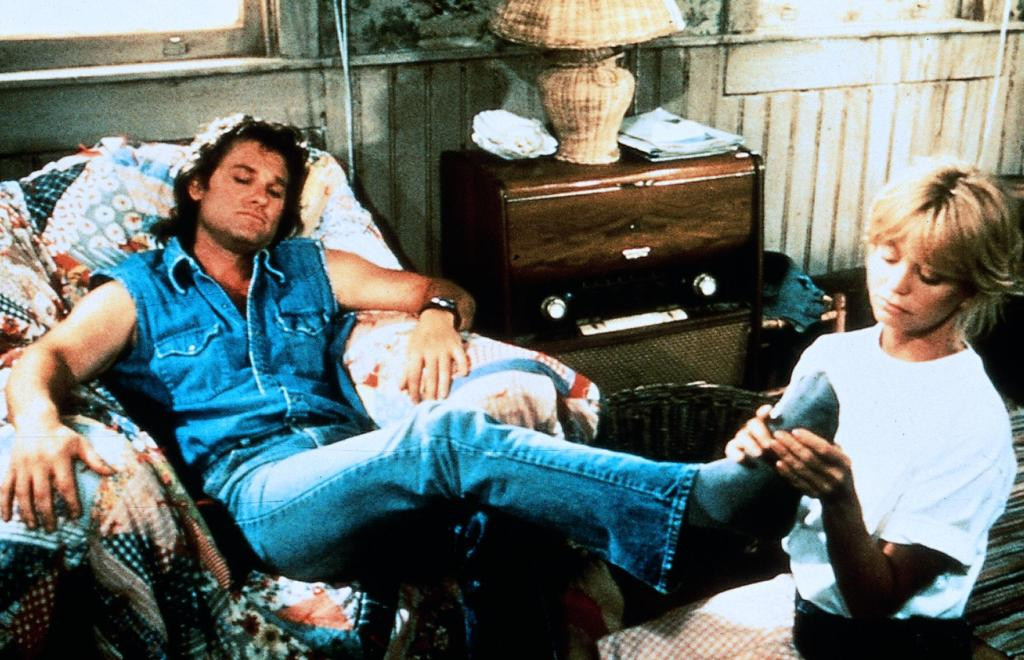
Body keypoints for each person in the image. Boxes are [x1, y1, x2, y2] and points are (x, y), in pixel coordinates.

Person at [1, 114, 809, 657]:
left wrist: (437, 321)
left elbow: (440, 290)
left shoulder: (306, 267)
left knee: (508, 519)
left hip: (365, 469)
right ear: (197, 188)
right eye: (241, 178)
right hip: (268, 499)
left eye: (275, 189)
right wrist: (39, 426)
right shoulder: (142, 288)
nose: (259, 198)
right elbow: (45, 359)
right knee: (447, 440)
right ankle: (698, 506)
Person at [601, 157, 1021, 660]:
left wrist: (839, 501)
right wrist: (755, 452)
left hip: (896, 648)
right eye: (888, 257)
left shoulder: (973, 422)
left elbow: (874, 603)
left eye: (929, 275)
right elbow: (775, 517)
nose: (896, 285)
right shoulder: (833, 356)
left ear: (970, 290)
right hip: (805, 610)